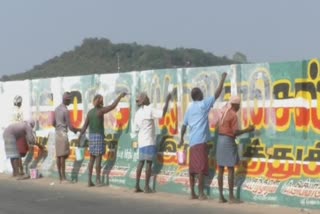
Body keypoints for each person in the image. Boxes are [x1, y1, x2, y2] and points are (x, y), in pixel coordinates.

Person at [178, 72, 227, 200]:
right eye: (201, 92)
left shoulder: (190, 109)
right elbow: (217, 94)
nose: (203, 93)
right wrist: (222, 79)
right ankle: (200, 193)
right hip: (200, 141)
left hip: (193, 141)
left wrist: (181, 138)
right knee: (200, 168)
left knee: (192, 169)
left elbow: (184, 125)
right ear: (199, 95)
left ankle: (193, 193)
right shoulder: (202, 105)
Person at [78, 92, 128, 187]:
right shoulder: (100, 111)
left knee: (91, 159)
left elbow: (84, 127)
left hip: (91, 137)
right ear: (101, 102)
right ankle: (98, 180)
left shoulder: (90, 112)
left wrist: (80, 136)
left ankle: (89, 180)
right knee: (98, 159)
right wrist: (120, 96)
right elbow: (113, 106)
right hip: (99, 137)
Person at [133, 89, 175, 193]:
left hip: (141, 141)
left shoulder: (138, 113)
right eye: (147, 97)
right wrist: (167, 100)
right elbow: (163, 113)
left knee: (141, 163)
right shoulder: (150, 109)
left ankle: (137, 185)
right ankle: (146, 187)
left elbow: (136, 129)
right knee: (148, 164)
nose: (148, 98)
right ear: (144, 100)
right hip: (149, 141)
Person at [216, 95, 254, 203]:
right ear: (236, 105)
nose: (239, 107)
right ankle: (231, 197)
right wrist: (248, 129)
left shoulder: (224, 111)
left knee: (221, 169)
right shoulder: (233, 115)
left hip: (220, 141)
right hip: (228, 141)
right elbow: (235, 132)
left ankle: (220, 196)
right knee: (231, 169)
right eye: (239, 105)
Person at [53, 92, 80, 184]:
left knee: (58, 156)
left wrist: (58, 127)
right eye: (70, 100)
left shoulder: (56, 109)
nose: (71, 102)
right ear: (66, 100)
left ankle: (60, 177)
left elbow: (53, 122)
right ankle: (64, 178)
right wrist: (78, 130)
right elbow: (70, 127)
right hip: (63, 133)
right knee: (63, 157)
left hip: (57, 133)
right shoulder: (65, 111)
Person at [11, 95, 28, 177]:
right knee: (19, 154)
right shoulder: (20, 111)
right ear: (20, 103)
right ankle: (20, 171)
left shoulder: (11, 111)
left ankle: (15, 172)